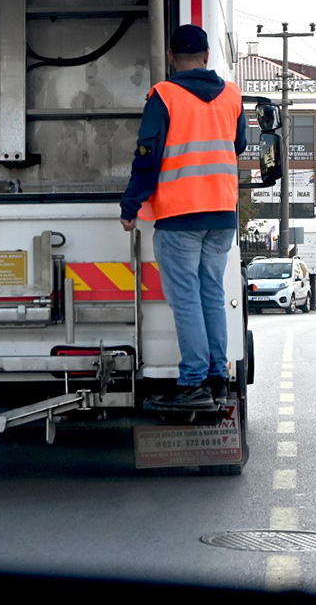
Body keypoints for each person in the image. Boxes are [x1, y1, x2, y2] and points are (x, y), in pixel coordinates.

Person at [119, 25, 247, 410]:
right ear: (207, 56)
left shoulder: (164, 95)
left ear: (171, 57)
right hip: (222, 214)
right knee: (212, 294)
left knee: (187, 298)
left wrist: (130, 206)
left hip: (180, 214)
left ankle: (193, 380)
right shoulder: (232, 95)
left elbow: (147, 156)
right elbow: (239, 144)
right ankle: (216, 378)